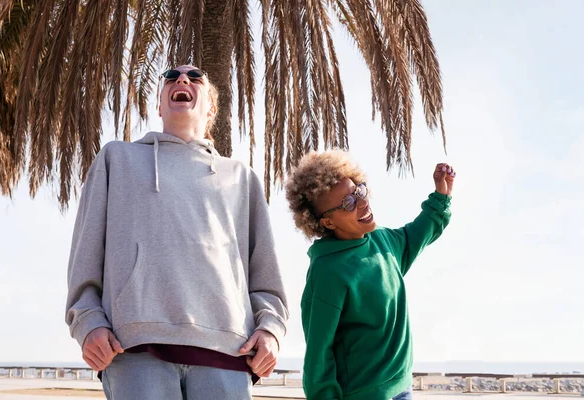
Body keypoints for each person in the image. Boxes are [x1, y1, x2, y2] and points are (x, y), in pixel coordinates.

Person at [65, 65, 288, 400]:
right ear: (159, 106)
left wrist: (271, 329)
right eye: (171, 77)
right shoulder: (117, 159)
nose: (181, 80)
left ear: (211, 108)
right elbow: (85, 256)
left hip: (227, 352)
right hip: (135, 350)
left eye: (194, 77)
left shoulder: (242, 177)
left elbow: (264, 272)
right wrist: (88, 323)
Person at [284, 150, 455, 400]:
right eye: (348, 204)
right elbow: (319, 356)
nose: (363, 203)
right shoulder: (327, 271)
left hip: (402, 388)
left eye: (358, 191)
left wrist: (441, 195)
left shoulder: (384, 241)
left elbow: (421, 231)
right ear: (328, 223)